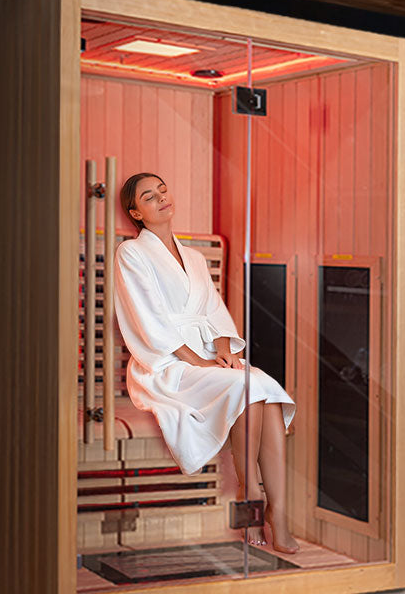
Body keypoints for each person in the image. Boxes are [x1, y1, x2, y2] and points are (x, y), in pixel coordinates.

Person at [113, 172, 298, 553]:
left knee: (265, 390)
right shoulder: (131, 253)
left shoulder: (195, 258)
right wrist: (197, 361)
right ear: (136, 213)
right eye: (149, 197)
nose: (161, 198)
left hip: (206, 358)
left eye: (163, 190)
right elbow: (147, 319)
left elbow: (213, 311)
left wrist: (224, 347)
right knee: (250, 387)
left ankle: (277, 511)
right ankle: (251, 497)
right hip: (165, 365)